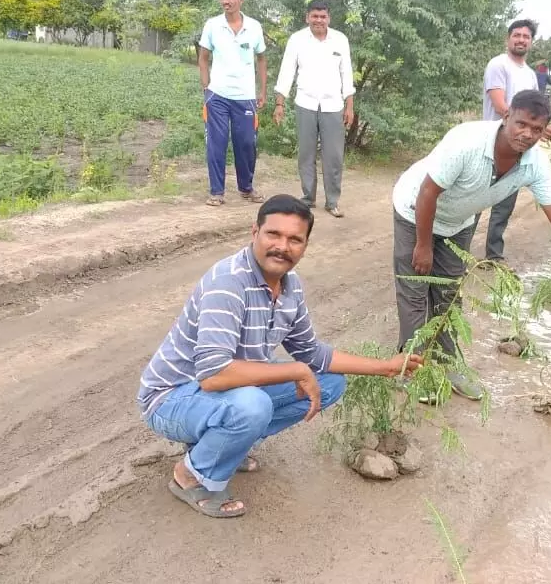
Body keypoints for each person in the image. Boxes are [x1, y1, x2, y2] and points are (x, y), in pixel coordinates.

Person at [138, 195, 424, 517]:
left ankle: (223, 446)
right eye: (273, 234)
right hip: (172, 399)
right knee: (253, 405)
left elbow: (312, 354)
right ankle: (189, 477)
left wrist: (385, 367)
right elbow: (213, 375)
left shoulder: (290, 287)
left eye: (294, 239)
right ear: (254, 233)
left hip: (222, 392)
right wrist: (296, 371)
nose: (282, 246)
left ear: (305, 245)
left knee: (329, 383)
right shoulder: (228, 283)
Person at [391, 90, 551, 401]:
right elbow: (427, 192)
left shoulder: (534, 164)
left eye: (536, 129)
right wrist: (423, 245)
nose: (527, 134)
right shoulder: (466, 142)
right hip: (415, 212)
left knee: (449, 297)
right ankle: (410, 369)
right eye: (521, 124)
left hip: (459, 223)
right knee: (415, 291)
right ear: (506, 117)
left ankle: (450, 365)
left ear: (545, 130)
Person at [471, 19, 550, 267]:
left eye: (526, 37)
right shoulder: (498, 65)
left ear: (531, 42)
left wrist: (540, 128)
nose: (521, 40)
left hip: (517, 148)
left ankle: (494, 256)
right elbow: (500, 105)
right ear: (508, 39)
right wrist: (526, 126)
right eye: (516, 35)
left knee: (504, 203)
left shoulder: (530, 75)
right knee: (473, 201)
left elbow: (534, 111)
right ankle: (455, 255)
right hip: (492, 143)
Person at [273, 0, 355, 219]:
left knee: (334, 156)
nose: (319, 20)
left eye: (323, 16)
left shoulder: (340, 40)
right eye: (315, 16)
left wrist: (349, 106)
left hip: (333, 106)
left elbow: (347, 74)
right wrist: (279, 103)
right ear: (307, 17)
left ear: (329, 18)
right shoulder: (297, 40)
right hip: (305, 104)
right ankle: (308, 198)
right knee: (306, 154)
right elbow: (287, 71)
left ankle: (332, 201)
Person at [199, 0, 268, 207]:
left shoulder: (254, 27)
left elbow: (261, 58)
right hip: (217, 95)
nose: (226, 2)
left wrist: (262, 90)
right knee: (216, 144)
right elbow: (203, 57)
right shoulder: (212, 25)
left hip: (245, 96)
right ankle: (216, 192)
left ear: (241, 0)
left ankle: (246, 188)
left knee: (247, 143)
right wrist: (205, 86)